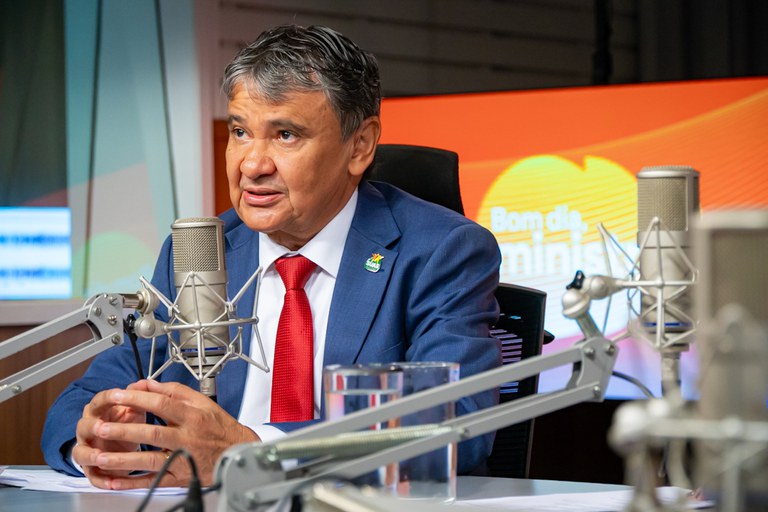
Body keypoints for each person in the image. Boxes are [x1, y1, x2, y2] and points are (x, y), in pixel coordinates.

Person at [41, 24, 502, 490]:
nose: (252, 164)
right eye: (240, 131)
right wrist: (99, 441)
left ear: (360, 146)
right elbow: (82, 402)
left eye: (285, 135)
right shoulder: (200, 251)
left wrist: (250, 453)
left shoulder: (441, 252)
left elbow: (456, 422)